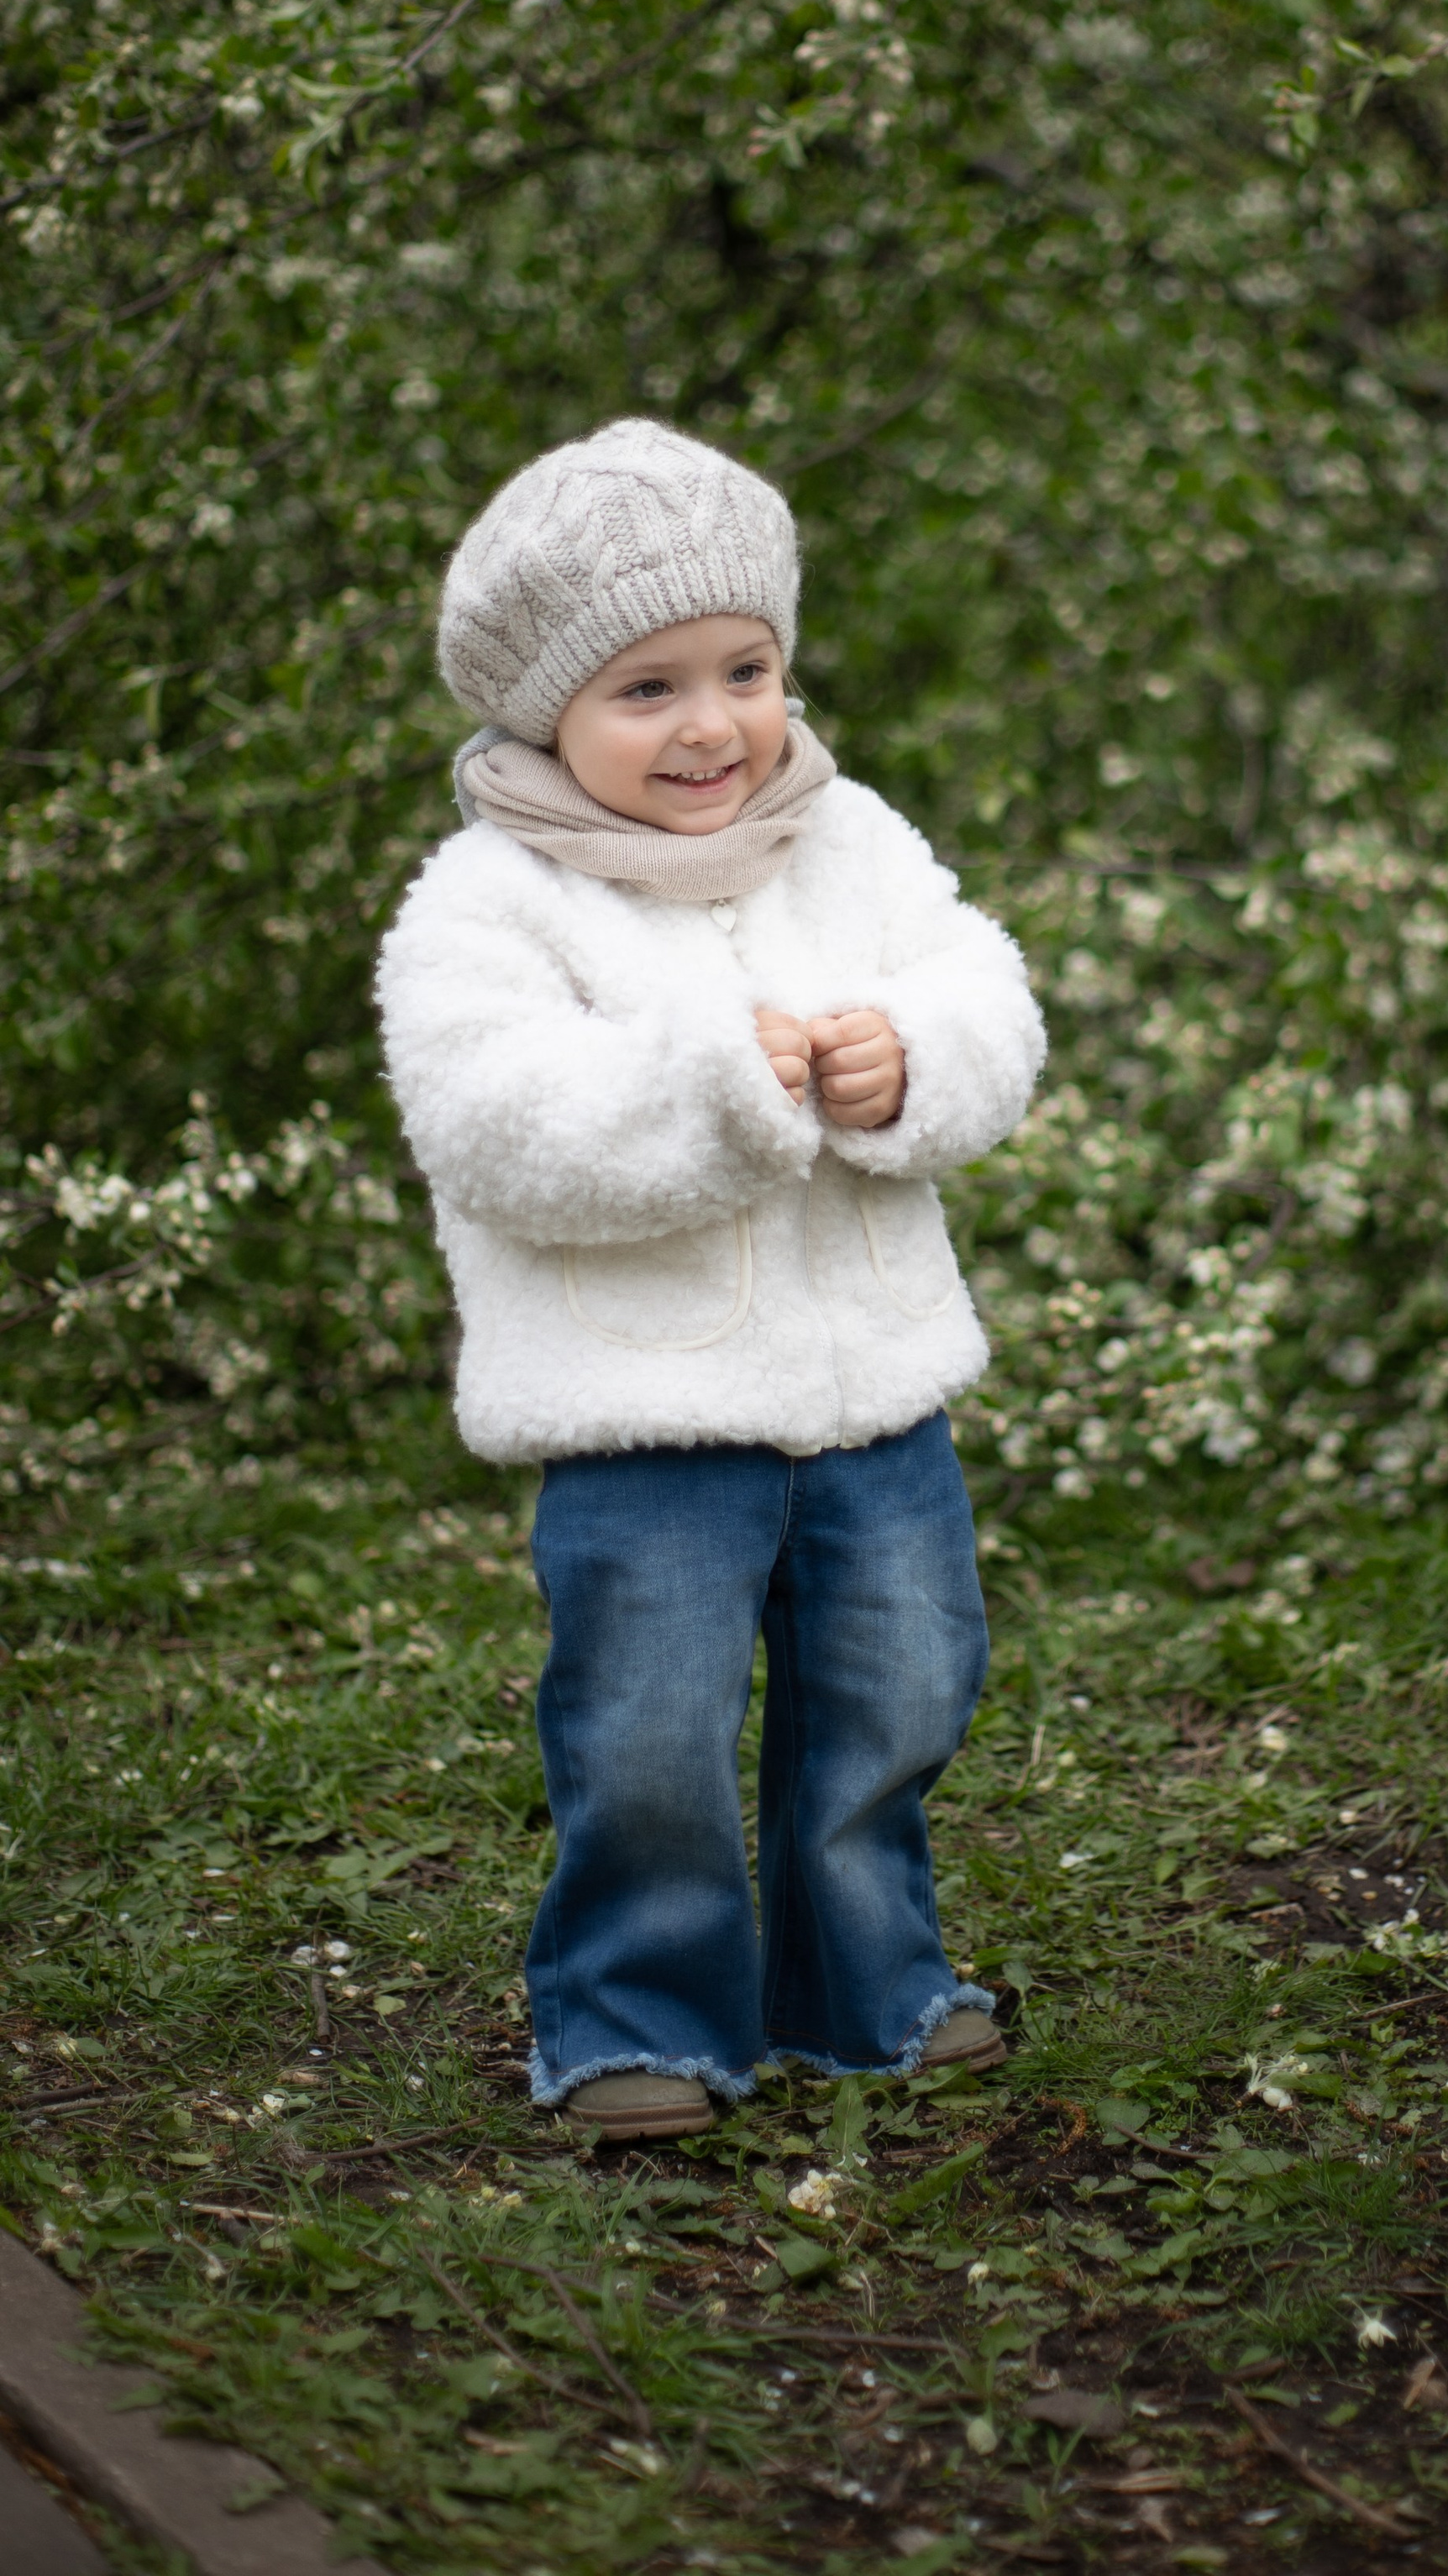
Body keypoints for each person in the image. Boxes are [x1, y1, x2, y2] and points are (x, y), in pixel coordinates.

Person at [376, 417, 1046, 2141]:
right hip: (641, 1411)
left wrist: (910, 1060)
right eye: (646, 688)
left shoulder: (847, 840)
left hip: (867, 1386)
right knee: (648, 1729)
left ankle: (866, 1983)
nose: (712, 727)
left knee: (896, 1689)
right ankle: (635, 2018)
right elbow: (493, 1125)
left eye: (744, 669)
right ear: (544, 709)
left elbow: (983, 989)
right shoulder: (488, 900)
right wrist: (717, 1091)